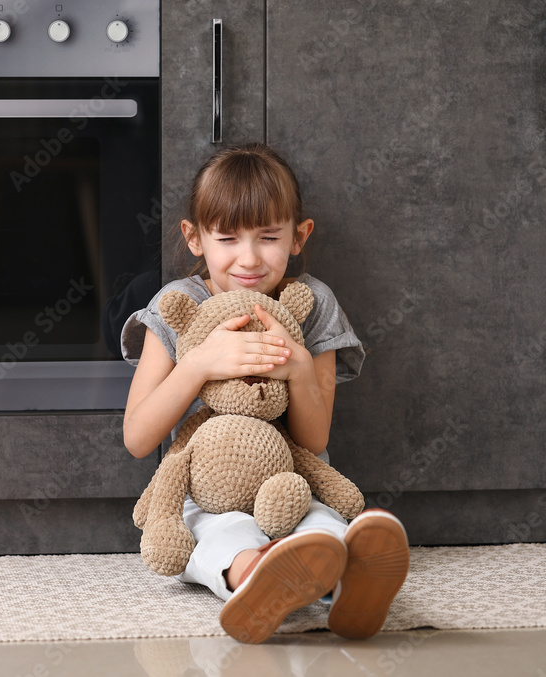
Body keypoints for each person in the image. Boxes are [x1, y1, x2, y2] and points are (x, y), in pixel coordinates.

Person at [120, 142, 409, 643]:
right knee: (216, 537)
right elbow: (138, 437)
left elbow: (313, 441)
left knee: (320, 524)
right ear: (194, 238)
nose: (249, 258)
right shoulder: (177, 304)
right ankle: (256, 575)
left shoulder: (310, 303)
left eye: (269, 237)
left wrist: (298, 368)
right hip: (203, 494)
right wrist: (198, 364)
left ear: (299, 236)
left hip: (288, 482)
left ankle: (348, 584)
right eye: (227, 238)